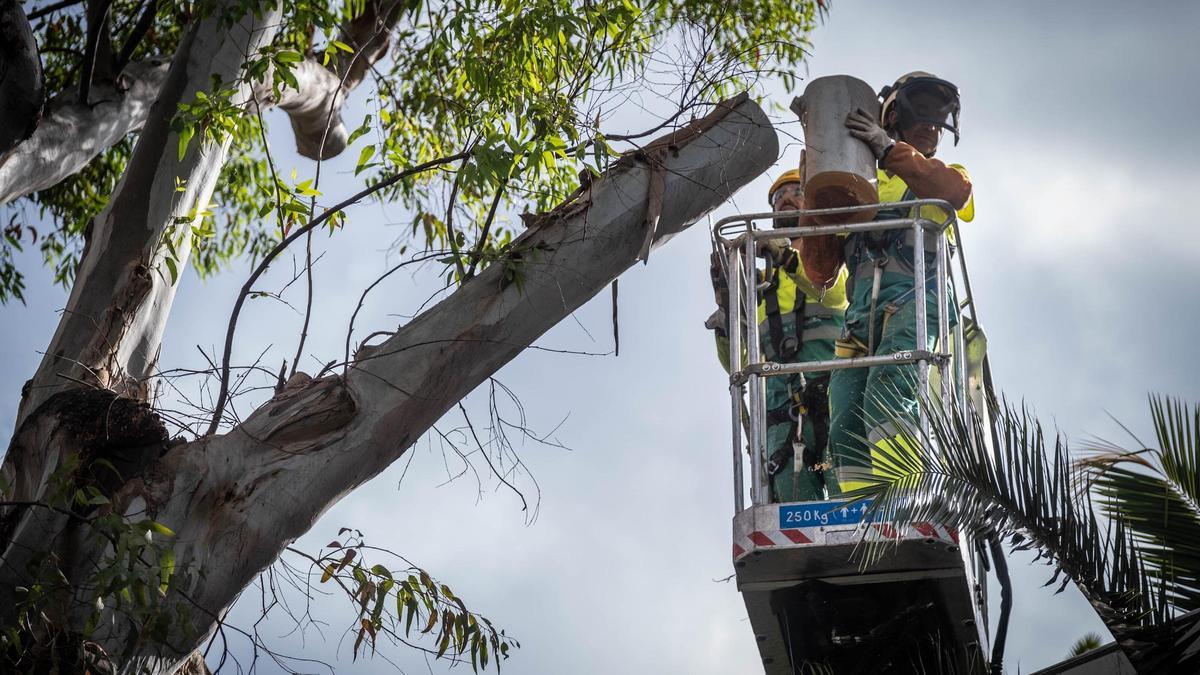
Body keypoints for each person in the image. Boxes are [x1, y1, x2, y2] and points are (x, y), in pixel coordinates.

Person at [827, 72, 976, 494]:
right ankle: (861, 513)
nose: (932, 126)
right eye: (922, 115)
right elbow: (821, 272)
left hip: (915, 302)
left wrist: (889, 149)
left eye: (938, 119)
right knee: (845, 419)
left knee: (889, 396)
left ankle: (903, 497)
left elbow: (954, 193)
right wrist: (815, 188)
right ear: (892, 114)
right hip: (860, 320)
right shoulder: (858, 182)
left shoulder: (943, 174)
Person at [708, 169, 849, 502]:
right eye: (776, 197)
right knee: (792, 500)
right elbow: (740, 365)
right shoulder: (760, 286)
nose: (784, 198)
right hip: (783, 414)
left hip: (836, 399)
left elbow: (837, 295)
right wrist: (728, 320)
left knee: (851, 502)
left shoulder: (831, 258)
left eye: (795, 191)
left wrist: (786, 257)